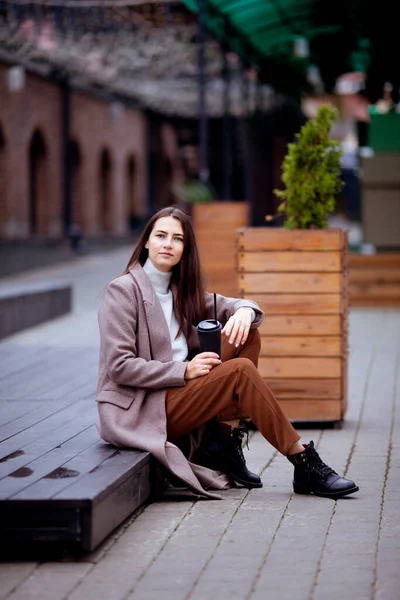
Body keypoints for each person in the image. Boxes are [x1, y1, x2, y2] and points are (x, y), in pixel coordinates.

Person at [96, 206, 359, 500]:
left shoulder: (181, 290)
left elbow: (236, 306)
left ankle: (224, 441)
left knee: (248, 334)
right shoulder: (122, 291)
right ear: (146, 242)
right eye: (160, 236)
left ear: (186, 248)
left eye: (177, 238)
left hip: (181, 391)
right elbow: (120, 366)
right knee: (241, 370)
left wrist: (245, 311)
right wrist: (183, 370)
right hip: (145, 407)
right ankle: (302, 461)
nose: (168, 244)